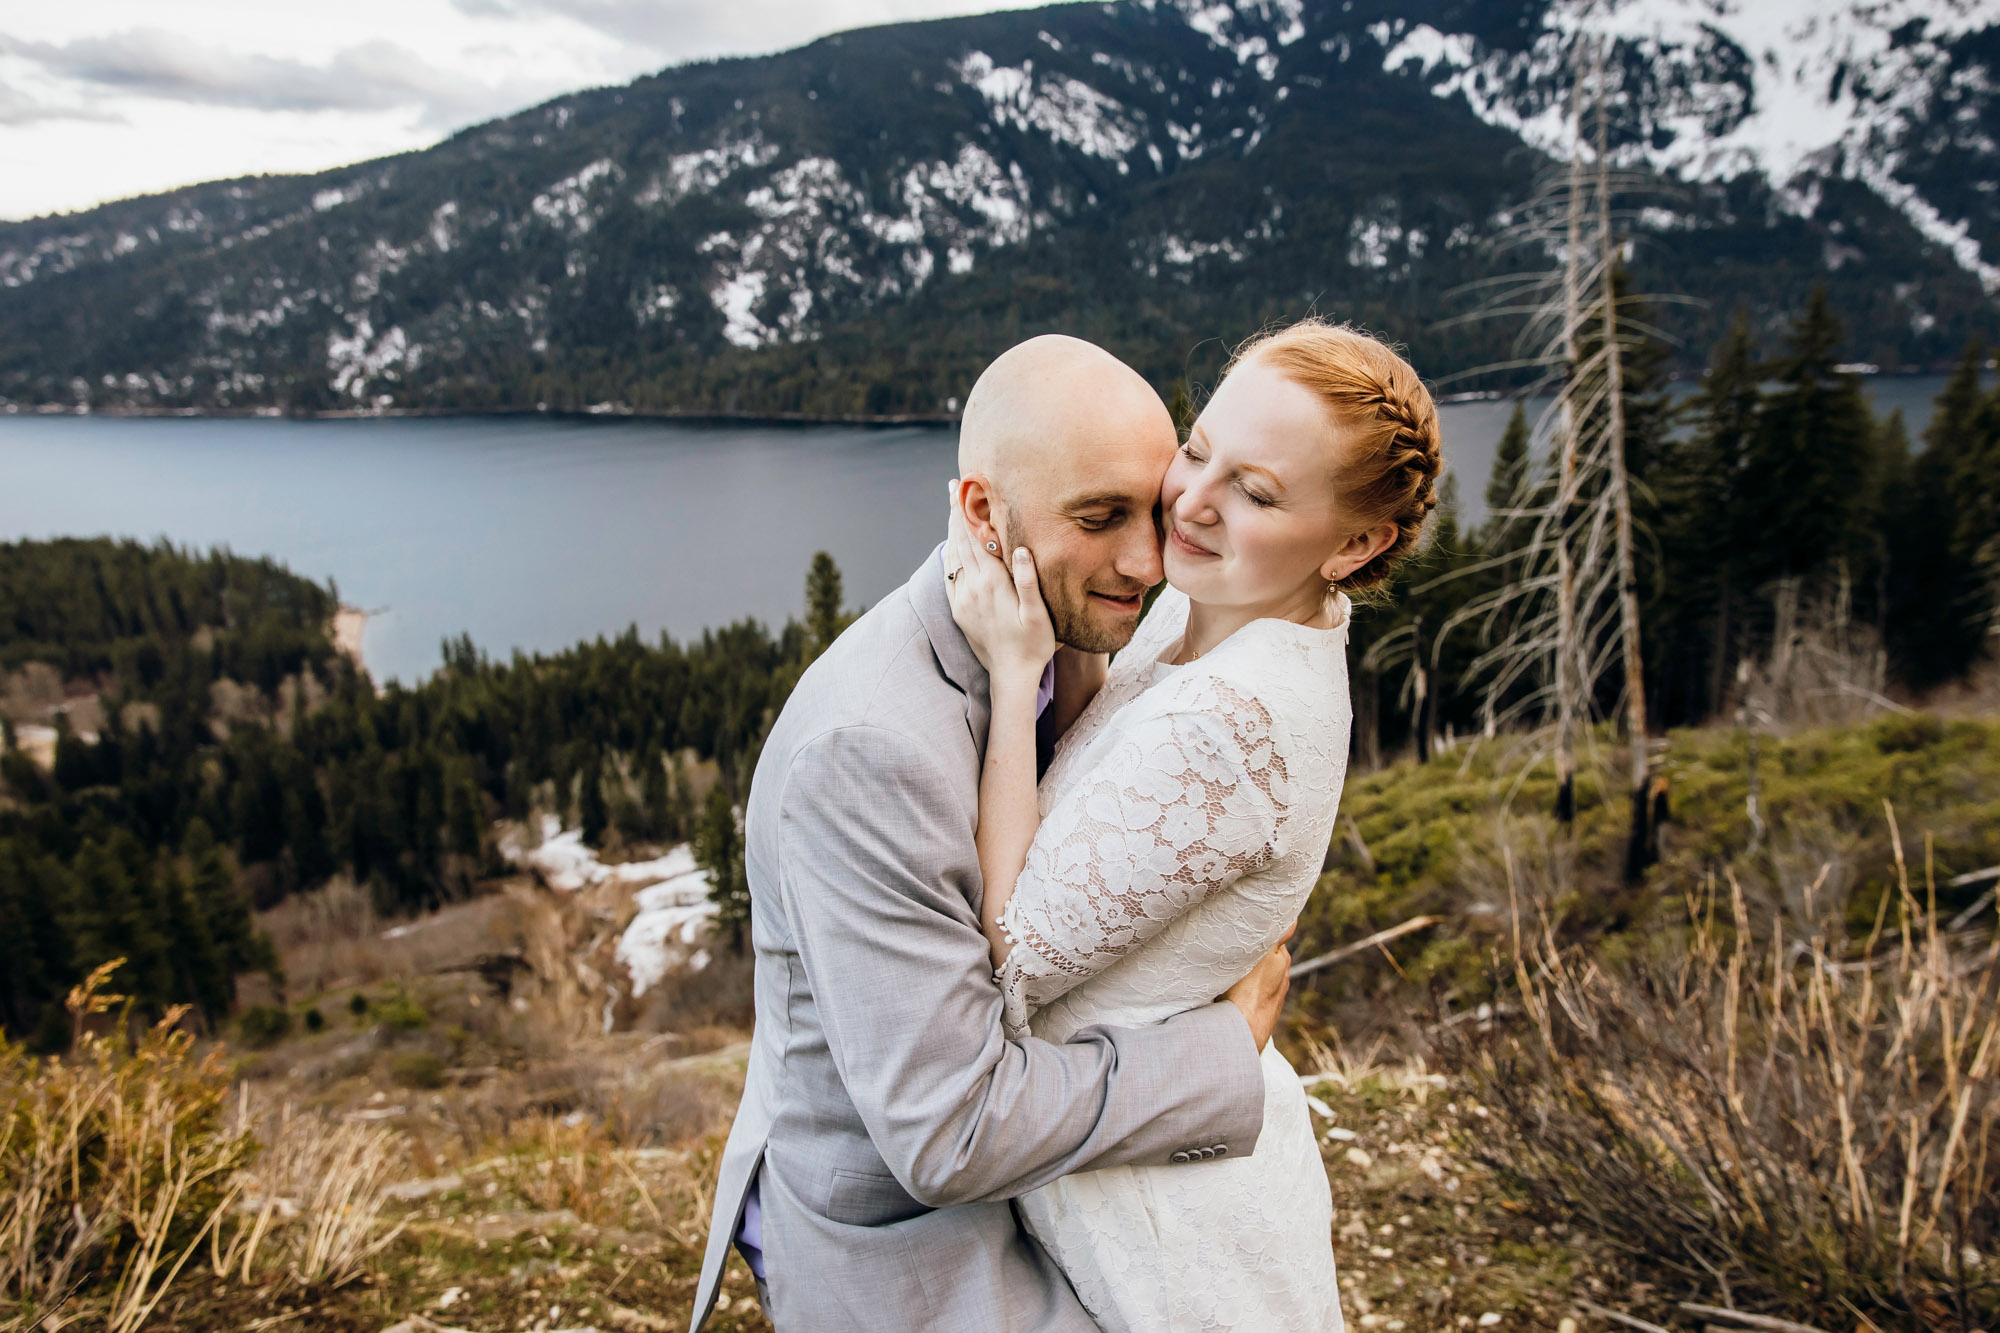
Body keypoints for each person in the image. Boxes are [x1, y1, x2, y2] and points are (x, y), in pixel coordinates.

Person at [687, 334, 1297, 1333]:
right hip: (904, 1237)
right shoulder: (867, 751)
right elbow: (948, 1128)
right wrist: (1222, 1051)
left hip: (1036, 1182)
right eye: (1099, 518)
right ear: (981, 510)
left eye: (1155, 512)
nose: (1146, 563)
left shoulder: (1056, 620)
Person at [944, 318, 1442, 1331]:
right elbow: (1109, 747)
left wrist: (1011, 676)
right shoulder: (1220, 607)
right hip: (1144, 1148)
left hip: (1166, 1229)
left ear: (1354, 542)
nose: (1194, 502)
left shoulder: (1233, 721)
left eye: (1256, 493)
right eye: (1199, 448)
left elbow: (1010, 956)